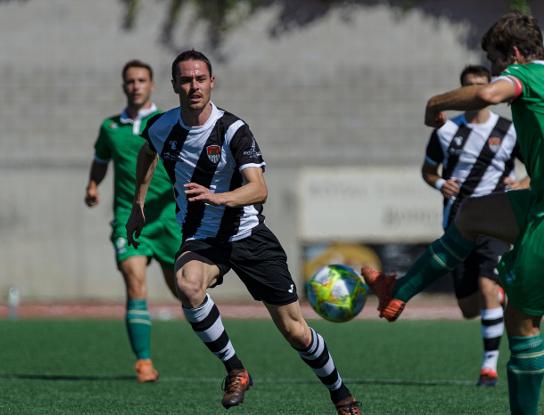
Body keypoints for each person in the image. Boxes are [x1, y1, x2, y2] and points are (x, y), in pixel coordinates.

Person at [125, 50, 362, 414]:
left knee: (295, 330)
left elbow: (258, 188)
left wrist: (218, 197)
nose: (193, 87)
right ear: (174, 85)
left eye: (200, 79)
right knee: (188, 285)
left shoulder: (233, 129)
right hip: (203, 237)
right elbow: (147, 154)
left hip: (249, 235)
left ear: (212, 82)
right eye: (185, 80)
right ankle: (236, 369)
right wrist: (138, 205)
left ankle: (339, 391)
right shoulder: (161, 126)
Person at [362, 12, 544, 415]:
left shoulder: (526, 76)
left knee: (523, 323)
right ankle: (398, 290)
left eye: (496, 64)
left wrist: (435, 104)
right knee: (472, 215)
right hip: (535, 201)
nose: (495, 73)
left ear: (513, 54)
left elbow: (487, 96)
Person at [421, 64, 528, 386]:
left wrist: (520, 184)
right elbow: (428, 171)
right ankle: (500, 295)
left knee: (486, 287)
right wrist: (440, 184)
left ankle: (489, 367)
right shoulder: (445, 131)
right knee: (469, 307)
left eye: (481, 86)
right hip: (457, 220)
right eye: (469, 86)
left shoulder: (510, 130)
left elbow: (536, 169)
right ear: (462, 91)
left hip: (497, 220)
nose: (476, 92)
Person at [84, 60, 181, 383]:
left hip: (168, 219)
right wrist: (93, 184)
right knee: (134, 281)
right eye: (130, 81)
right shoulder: (110, 127)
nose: (136, 85)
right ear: (124, 86)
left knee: (185, 290)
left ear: (152, 85)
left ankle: (224, 355)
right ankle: (144, 362)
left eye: (142, 80)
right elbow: (100, 161)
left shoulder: (169, 122)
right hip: (130, 217)